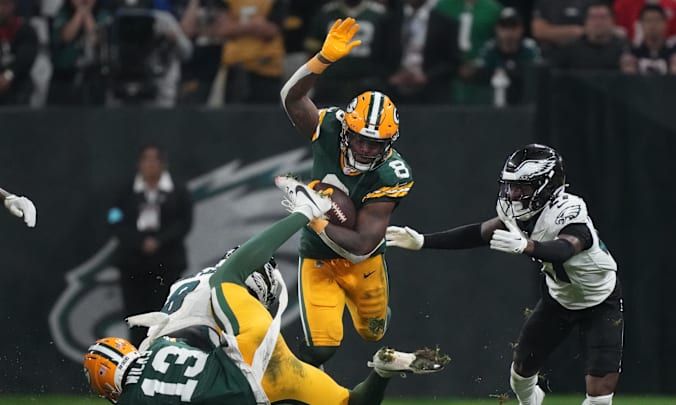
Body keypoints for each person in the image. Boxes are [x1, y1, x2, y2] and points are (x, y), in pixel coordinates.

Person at [84, 176, 449, 404]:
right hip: (248, 347)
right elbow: (230, 275)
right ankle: (383, 371)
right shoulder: (175, 327)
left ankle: (303, 212)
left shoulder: (152, 353)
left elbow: (224, 282)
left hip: (237, 361)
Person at [386, 144, 623, 405]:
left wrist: (527, 246)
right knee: (519, 376)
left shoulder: (569, 210)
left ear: (547, 186)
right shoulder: (518, 215)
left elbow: (566, 248)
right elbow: (478, 233)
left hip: (600, 302)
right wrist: (423, 241)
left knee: (600, 397)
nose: (514, 193)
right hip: (558, 299)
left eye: (523, 187)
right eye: (511, 185)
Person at [280, 17, 416, 369]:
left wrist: (314, 218)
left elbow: (362, 244)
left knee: (374, 332)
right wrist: (321, 60)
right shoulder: (328, 127)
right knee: (323, 347)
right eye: (360, 138)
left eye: (376, 143)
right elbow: (290, 97)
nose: (368, 148)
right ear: (346, 128)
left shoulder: (393, 173)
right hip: (319, 258)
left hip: (363, 260)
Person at [108, 143, 194, 346]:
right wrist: (138, 242)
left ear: (164, 164)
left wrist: (160, 241)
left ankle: (163, 356)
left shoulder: (178, 192)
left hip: (166, 264)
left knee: (165, 316)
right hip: (132, 264)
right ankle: (136, 358)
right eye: (146, 160)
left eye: (155, 161)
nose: (150, 165)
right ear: (139, 164)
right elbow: (114, 218)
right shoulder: (125, 191)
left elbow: (184, 222)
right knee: (136, 318)